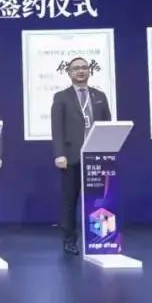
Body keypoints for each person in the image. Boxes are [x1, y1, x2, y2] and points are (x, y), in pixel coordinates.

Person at [51, 57, 113, 255]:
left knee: (97, 200)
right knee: (70, 200)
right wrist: (59, 154)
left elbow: (107, 124)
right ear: (69, 73)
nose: (80, 71)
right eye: (76, 68)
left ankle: (98, 236)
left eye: (84, 67)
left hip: (96, 157)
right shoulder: (61, 97)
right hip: (71, 157)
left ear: (89, 71)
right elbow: (57, 129)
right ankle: (69, 240)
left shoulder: (99, 96)